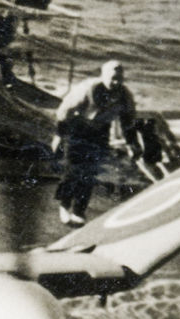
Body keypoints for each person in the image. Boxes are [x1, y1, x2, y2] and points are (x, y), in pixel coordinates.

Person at [53, 60, 137, 225]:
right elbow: (64, 111)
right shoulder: (87, 89)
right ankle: (64, 205)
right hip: (78, 128)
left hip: (100, 133)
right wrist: (59, 135)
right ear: (103, 76)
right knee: (73, 170)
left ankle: (79, 210)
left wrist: (132, 143)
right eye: (112, 78)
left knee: (90, 174)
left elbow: (128, 121)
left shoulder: (124, 95)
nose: (116, 82)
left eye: (119, 79)